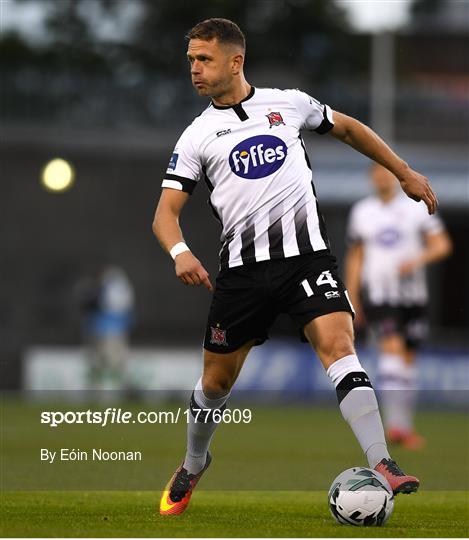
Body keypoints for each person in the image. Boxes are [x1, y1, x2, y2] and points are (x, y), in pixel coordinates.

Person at [152, 18, 438, 516]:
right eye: (191, 60)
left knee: (340, 347)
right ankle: (194, 463)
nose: (194, 70)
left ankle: (383, 461)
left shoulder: (289, 104)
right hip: (242, 275)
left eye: (204, 59)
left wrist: (404, 171)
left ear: (235, 61)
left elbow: (348, 128)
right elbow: (165, 214)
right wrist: (181, 253)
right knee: (215, 384)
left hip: (307, 260)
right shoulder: (197, 136)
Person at [345, 163, 452, 450]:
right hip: (379, 295)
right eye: (376, 173)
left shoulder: (415, 208)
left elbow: (441, 245)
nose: (381, 177)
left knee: (407, 361)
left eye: (386, 173)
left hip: (413, 297)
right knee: (391, 350)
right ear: (371, 179)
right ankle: (393, 427)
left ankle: (404, 426)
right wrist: (353, 297)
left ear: (394, 178)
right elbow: (356, 257)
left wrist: (417, 260)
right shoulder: (362, 212)